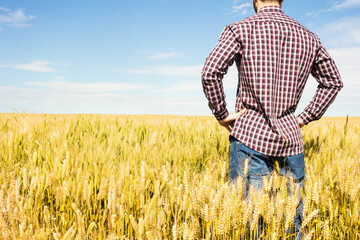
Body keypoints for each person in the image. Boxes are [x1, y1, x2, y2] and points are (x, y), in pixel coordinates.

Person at [201, 0, 343, 239]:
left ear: (255, 0)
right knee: (291, 223)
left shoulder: (240, 28)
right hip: (291, 140)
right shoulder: (310, 37)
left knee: (250, 221)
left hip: (249, 137)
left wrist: (222, 114)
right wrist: (304, 118)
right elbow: (333, 82)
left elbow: (210, 72)